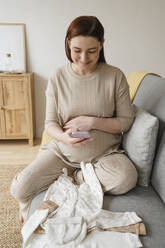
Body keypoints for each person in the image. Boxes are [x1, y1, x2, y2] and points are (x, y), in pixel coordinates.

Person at [10, 16, 137, 224]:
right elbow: (49, 124)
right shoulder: (58, 77)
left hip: (104, 157)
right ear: (68, 43)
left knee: (126, 178)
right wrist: (65, 138)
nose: (84, 58)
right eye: (77, 50)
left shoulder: (115, 76)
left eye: (92, 51)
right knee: (19, 188)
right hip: (62, 153)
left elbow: (125, 121)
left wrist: (92, 122)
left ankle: (73, 179)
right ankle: (77, 178)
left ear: (102, 44)